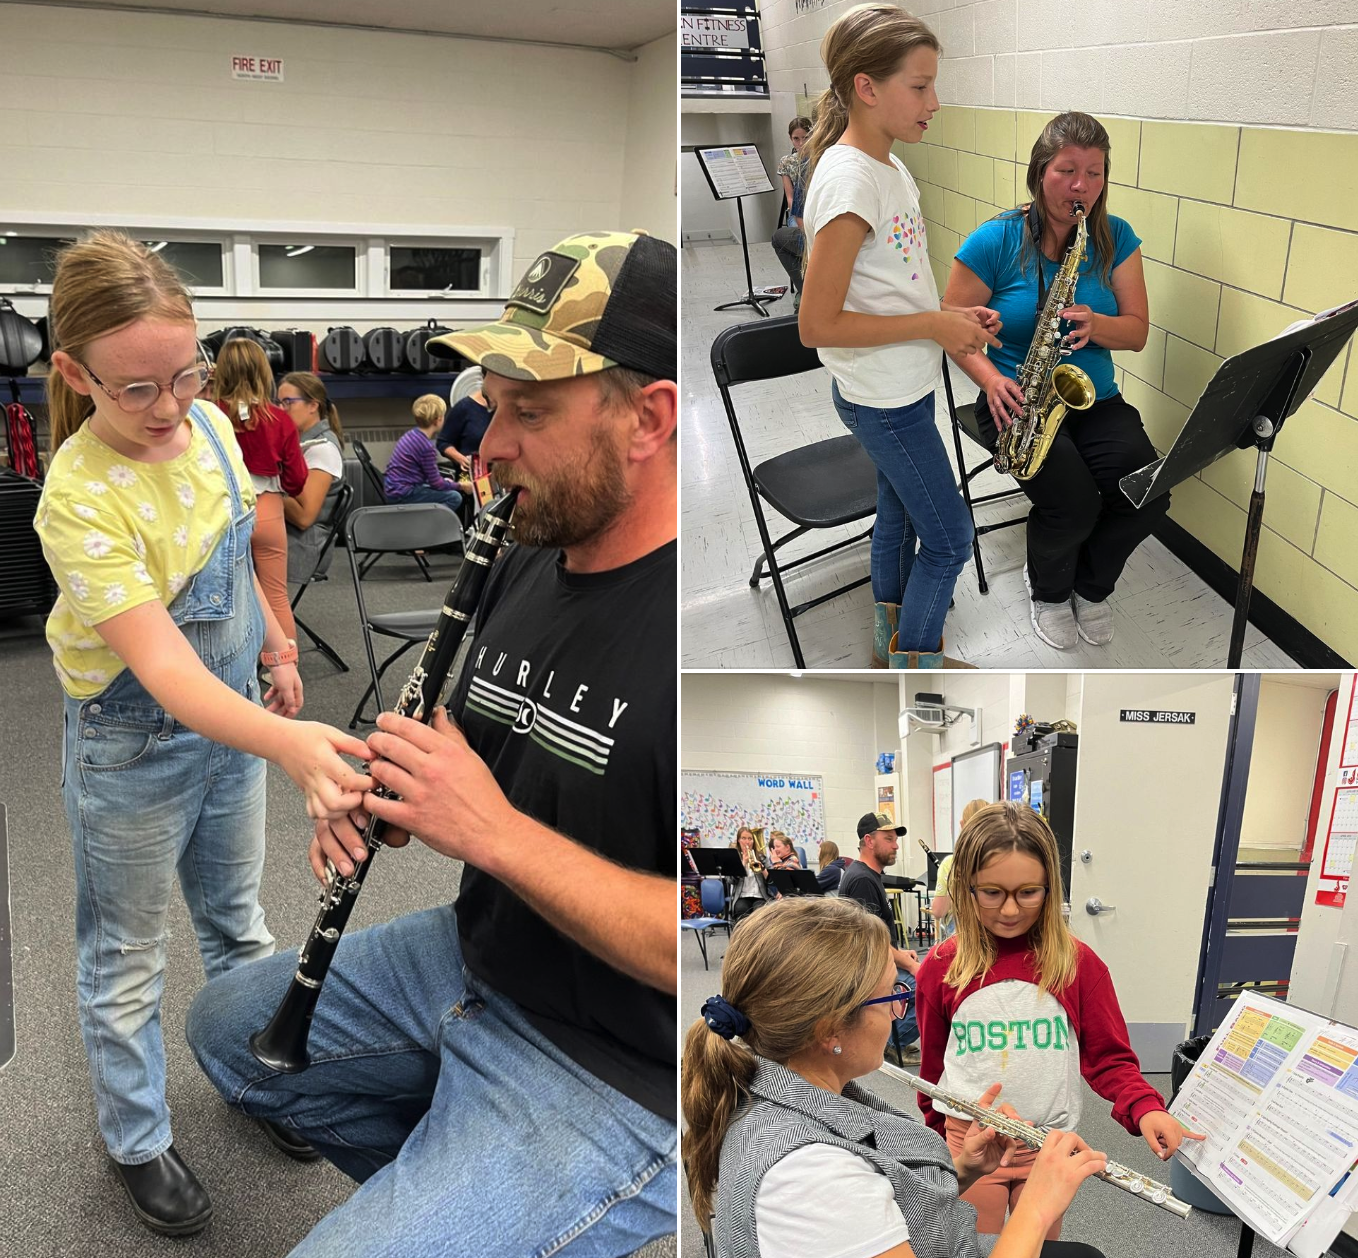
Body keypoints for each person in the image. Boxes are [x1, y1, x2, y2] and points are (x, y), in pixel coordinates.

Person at [186, 229, 679, 1258]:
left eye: (527, 412)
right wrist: (392, 791)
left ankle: (511, 1200)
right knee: (225, 1028)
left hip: (623, 1062)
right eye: (491, 405)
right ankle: (473, 1189)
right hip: (483, 951)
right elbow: (480, 760)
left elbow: (720, 958)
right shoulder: (524, 548)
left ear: (649, 419)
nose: (485, 448)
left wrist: (490, 832)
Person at [33, 230, 374, 1236]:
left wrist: (275, 645)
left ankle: (253, 1072)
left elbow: (246, 549)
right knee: (127, 952)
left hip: (229, 722)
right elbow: (169, 670)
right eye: (136, 389)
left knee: (239, 919)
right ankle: (136, 1135)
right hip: (136, 741)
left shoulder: (218, 430)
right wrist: (292, 742)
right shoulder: (77, 495)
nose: (171, 404)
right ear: (72, 373)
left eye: (184, 374)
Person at [681, 896, 1111, 1258]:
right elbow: (848, 1199)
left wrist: (965, 1168)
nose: (897, 1011)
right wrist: (1037, 1206)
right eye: (892, 995)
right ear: (830, 1028)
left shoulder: (784, 1085)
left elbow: (884, 1195)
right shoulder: (809, 1177)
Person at [798, 3, 1003, 670]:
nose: (934, 102)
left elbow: (892, 283)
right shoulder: (853, 178)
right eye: (920, 86)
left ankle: (892, 641)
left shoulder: (886, 164)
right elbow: (816, 325)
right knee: (950, 540)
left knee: (899, 515)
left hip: (898, 389)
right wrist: (931, 324)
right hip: (883, 401)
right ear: (867, 86)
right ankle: (916, 666)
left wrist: (952, 321)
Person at [915, 803, 1205, 1237]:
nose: (1010, 910)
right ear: (966, 888)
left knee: (1042, 1246)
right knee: (972, 1244)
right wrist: (938, 1139)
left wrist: (1145, 1107)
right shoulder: (941, 967)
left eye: (1028, 892)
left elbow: (1110, 1058)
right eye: (992, 892)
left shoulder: (1078, 965)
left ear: (1050, 888)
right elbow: (932, 1071)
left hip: (1048, 1147)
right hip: (969, 1142)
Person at [942, 111, 1163, 652]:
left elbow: (1135, 332)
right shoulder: (995, 239)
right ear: (1040, 172)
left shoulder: (1115, 238)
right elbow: (951, 326)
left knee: (1148, 497)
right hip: (1015, 397)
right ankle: (1047, 589)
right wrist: (991, 379)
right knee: (1072, 504)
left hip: (1092, 396)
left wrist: (1099, 324)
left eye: (1094, 172)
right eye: (1067, 170)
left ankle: (1090, 587)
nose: (1081, 185)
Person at [212, 336, 309, 642]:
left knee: (219, 595)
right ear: (264, 372)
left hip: (220, 513)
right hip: (267, 511)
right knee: (276, 595)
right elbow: (296, 480)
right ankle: (283, 664)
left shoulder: (208, 414)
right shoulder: (281, 420)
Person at [841, 811, 921, 1062]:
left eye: (895, 839)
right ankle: (891, 1041)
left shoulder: (867, 875)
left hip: (880, 957)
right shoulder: (862, 880)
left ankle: (895, 1035)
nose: (896, 845)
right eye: (889, 838)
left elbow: (878, 936)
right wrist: (909, 964)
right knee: (929, 982)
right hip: (869, 966)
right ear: (869, 840)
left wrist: (901, 955)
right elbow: (871, 944)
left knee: (933, 960)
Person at [278, 371, 345, 582]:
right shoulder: (299, 443)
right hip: (291, 538)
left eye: (288, 402)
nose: (281, 410)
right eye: (279, 403)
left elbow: (304, 517)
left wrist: (265, 489)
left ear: (313, 406)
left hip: (303, 546)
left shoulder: (322, 449)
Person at [384, 393, 463, 514]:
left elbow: (432, 478)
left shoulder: (411, 434)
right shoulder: (426, 447)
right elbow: (437, 484)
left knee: (445, 485)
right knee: (454, 497)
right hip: (403, 495)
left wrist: (446, 483)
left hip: (394, 488)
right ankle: (428, 523)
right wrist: (461, 486)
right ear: (438, 420)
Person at [931, 799, 989, 945]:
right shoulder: (1001, 862)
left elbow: (938, 911)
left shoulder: (950, 864)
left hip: (959, 942)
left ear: (962, 824)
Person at [771, 116, 811, 306]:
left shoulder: (820, 158)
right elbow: (790, 197)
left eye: (805, 137)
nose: (801, 143)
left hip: (816, 210)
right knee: (797, 238)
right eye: (796, 138)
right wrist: (797, 220)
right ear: (791, 139)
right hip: (797, 211)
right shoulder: (787, 162)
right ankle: (804, 289)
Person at [436, 379, 492, 472]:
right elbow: (443, 442)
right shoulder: (464, 408)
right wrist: (462, 459)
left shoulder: (508, 409)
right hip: (471, 477)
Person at [730, 826, 774, 924]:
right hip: (742, 897)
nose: (747, 842)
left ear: (753, 841)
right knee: (741, 909)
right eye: (744, 838)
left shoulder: (762, 857)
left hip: (760, 896)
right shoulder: (734, 858)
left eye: (750, 839)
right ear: (738, 841)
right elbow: (731, 880)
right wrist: (743, 863)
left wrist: (762, 869)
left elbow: (772, 880)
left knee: (759, 912)